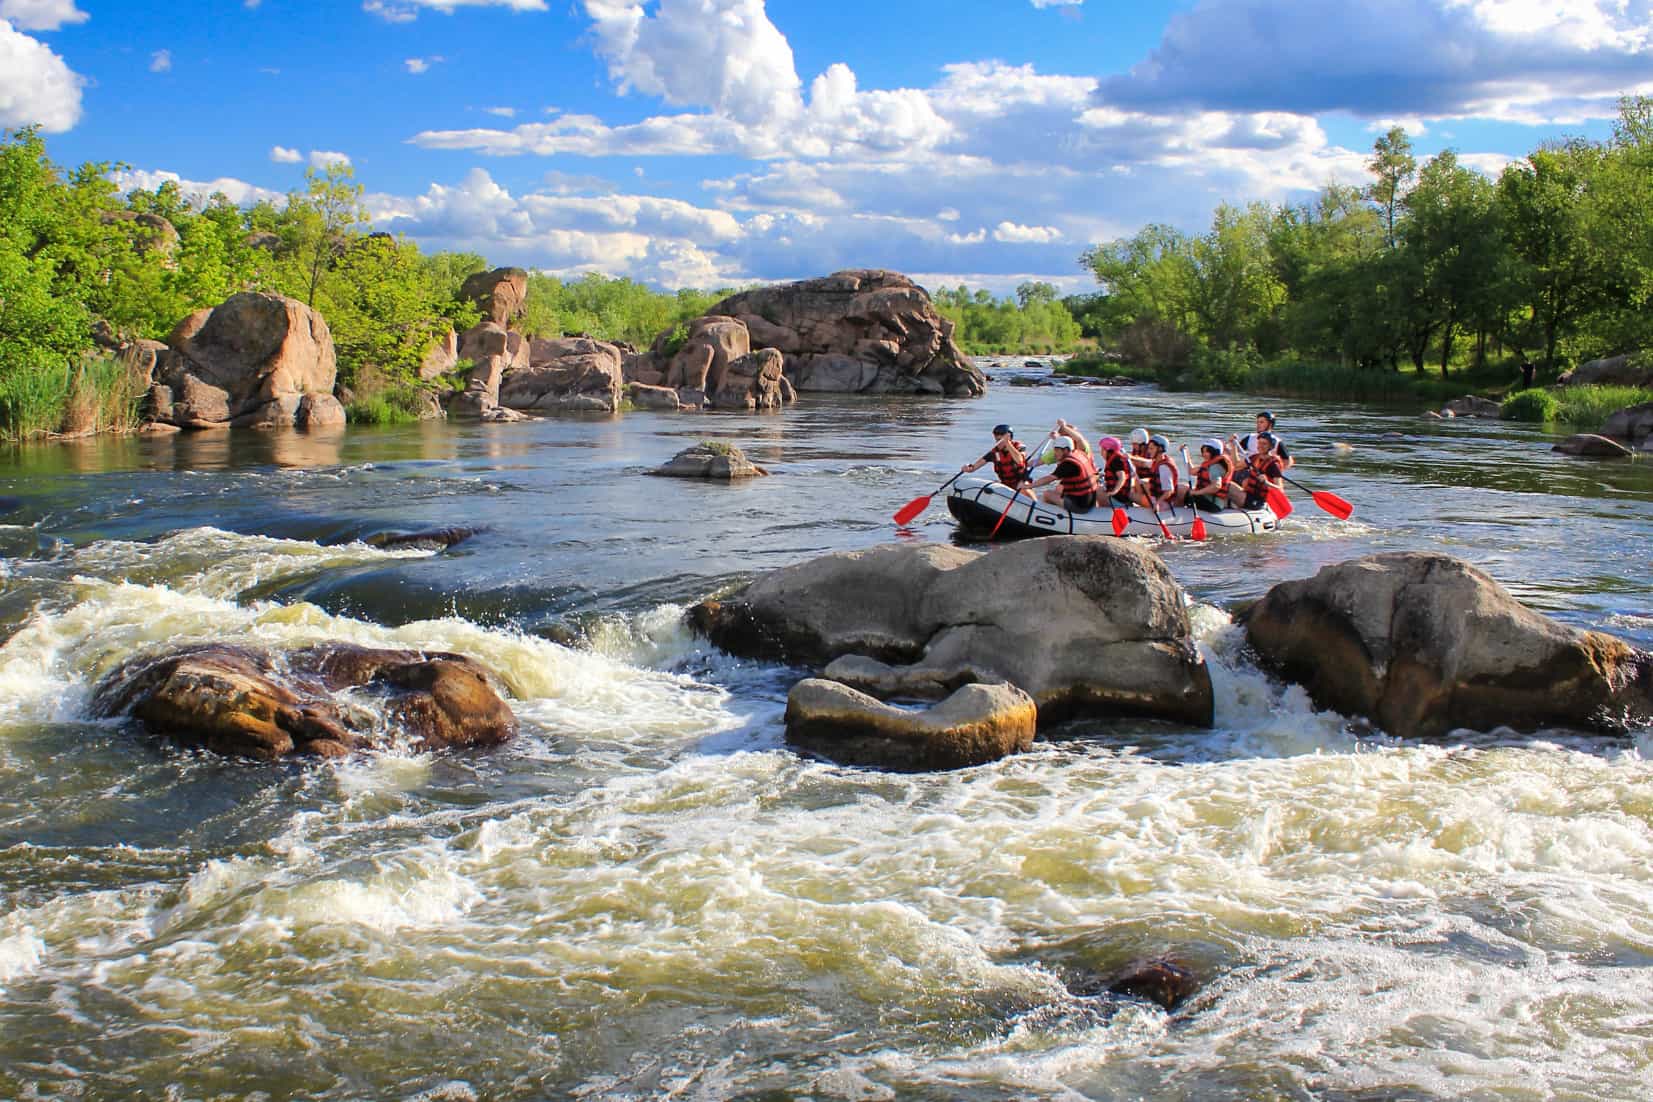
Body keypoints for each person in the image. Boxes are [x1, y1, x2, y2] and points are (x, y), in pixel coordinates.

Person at [1022, 435, 1098, 513]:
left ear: (1065, 450)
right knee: (1058, 489)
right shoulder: (1079, 454)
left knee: (1047, 494)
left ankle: (1042, 514)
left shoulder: (1068, 464)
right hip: (1090, 501)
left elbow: (1049, 479)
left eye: (1057, 450)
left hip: (1080, 505)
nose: (1055, 453)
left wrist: (1028, 486)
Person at [960, 423, 1030, 490]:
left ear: (1010, 438)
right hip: (1005, 484)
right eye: (996, 440)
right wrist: (968, 468)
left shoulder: (1020, 447)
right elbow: (973, 468)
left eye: (1000, 440)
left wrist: (1007, 443)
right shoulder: (994, 453)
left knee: (1023, 490)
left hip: (1021, 483)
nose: (998, 443)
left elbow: (1019, 460)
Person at [1231, 431, 1286, 510]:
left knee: (1229, 486)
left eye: (1264, 444)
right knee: (1227, 482)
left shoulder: (1273, 465)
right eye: (1259, 443)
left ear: (1270, 446)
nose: (1260, 446)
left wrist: (1267, 483)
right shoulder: (1254, 458)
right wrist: (1234, 446)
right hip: (1248, 495)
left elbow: (1280, 490)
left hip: (1257, 501)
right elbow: (1236, 465)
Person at [1180, 438, 1233, 512]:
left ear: (1215, 452)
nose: (1204, 454)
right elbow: (1191, 471)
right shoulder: (1209, 465)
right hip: (1207, 499)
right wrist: (1186, 454)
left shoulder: (1215, 467)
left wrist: (1196, 492)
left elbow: (1216, 486)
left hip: (1213, 504)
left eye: (1207, 451)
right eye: (1203, 451)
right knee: (1182, 488)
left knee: (1182, 492)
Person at [1142, 434, 1180, 511]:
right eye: (1149, 448)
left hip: (1163, 503)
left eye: (1151, 449)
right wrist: (1129, 458)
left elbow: (1169, 491)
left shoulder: (1163, 468)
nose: (1149, 451)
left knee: (1132, 495)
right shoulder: (1160, 461)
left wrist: (1157, 503)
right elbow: (1142, 463)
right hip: (1158, 498)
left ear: (1160, 449)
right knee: (1141, 482)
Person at [1096, 436, 1136, 506]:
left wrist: (1114, 491)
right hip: (1119, 497)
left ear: (1108, 451)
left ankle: (1102, 513)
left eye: (1102, 450)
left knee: (1097, 491)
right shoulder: (1116, 459)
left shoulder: (1115, 460)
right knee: (1099, 486)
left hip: (1118, 499)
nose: (1101, 453)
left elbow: (1122, 477)